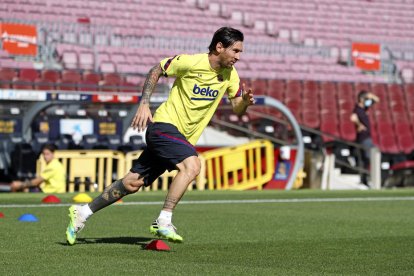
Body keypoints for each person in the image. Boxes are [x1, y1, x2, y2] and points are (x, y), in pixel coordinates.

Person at [66, 27, 255, 245]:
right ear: (219, 47)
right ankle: (163, 220)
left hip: (178, 139)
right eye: (235, 51)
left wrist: (245, 104)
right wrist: (144, 104)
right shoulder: (191, 62)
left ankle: (83, 212)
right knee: (192, 166)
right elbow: (156, 69)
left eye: (240, 52)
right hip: (163, 127)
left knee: (131, 183)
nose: (238, 57)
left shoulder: (231, 76)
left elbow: (237, 108)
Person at [350, 90, 380, 186]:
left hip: (367, 137)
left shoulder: (364, 108)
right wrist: (359, 125)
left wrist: (370, 95)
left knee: (367, 159)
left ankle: (366, 178)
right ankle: (365, 179)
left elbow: (377, 100)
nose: (368, 100)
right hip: (363, 138)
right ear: (361, 99)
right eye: (366, 98)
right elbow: (353, 118)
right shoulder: (357, 109)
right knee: (367, 158)